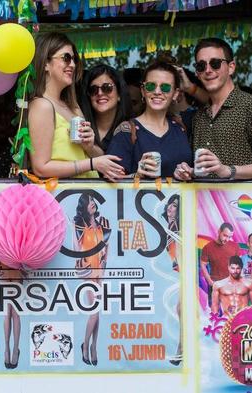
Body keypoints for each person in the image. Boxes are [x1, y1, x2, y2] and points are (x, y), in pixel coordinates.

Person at [27, 32, 124, 180]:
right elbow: (41, 168)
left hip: (86, 194)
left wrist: (90, 147)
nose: (72, 64)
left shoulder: (73, 106)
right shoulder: (42, 105)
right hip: (62, 197)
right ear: (46, 63)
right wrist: (91, 164)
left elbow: (99, 160)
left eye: (74, 59)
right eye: (66, 58)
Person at [175, 38, 252, 181]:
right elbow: (204, 170)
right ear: (197, 72)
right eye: (201, 66)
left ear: (231, 67)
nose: (208, 70)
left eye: (215, 64)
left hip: (242, 202)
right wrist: (189, 171)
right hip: (203, 201)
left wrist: (228, 170)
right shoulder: (200, 115)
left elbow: (223, 170)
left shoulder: (248, 106)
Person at [107, 61, 192, 178]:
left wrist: (188, 173)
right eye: (151, 86)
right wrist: (137, 175)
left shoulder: (180, 127)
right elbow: (110, 181)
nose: (157, 92)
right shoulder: (127, 131)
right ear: (142, 91)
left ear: (175, 94)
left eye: (165, 87)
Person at [73, 193, 111, 367]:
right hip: (86, 270)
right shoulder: (79, 225)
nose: (93, 204)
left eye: (93, 201)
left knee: (98, 312)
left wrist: (103, 266)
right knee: (94, 311)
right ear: (83, 206)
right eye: (89, 202)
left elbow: (106, 247)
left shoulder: (103, 223)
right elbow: (76, 248)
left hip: (99, 270)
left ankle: (94, 346)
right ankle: (85, 345)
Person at [79, 64, 131, 152]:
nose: (100, 93)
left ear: (119, 94)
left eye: (107, 87)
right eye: (93, 89)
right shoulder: (82, 128)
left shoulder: (131, 130)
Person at [162, 194, 182, 366]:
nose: (170, 207)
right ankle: (182, 349)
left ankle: (181, 350)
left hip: (187, 272)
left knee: (182, 308)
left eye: (174, 205)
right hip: (182, 272)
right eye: (170, 204)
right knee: (181, 309)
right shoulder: (171, 226)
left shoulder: (177, 228)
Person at [201, 222, 240, 290]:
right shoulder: (208, 247)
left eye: (230, 237)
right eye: (225, 235)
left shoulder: (235, 246)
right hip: (215, 284)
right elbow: (203, 264)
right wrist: (209, 281)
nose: (227, 239)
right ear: (219, 231)